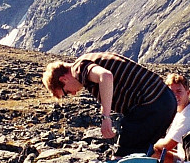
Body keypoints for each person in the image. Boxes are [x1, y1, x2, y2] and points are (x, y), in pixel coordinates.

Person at [42, 51, 176, 157]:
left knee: (122, 155)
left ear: (63, 79)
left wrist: (106, 117)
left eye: (65, 92)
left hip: (150, 103)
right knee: (142, 151)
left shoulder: (78, 68)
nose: (73, 94)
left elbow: (105, 76)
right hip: (164, 100)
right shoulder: (87, 61)